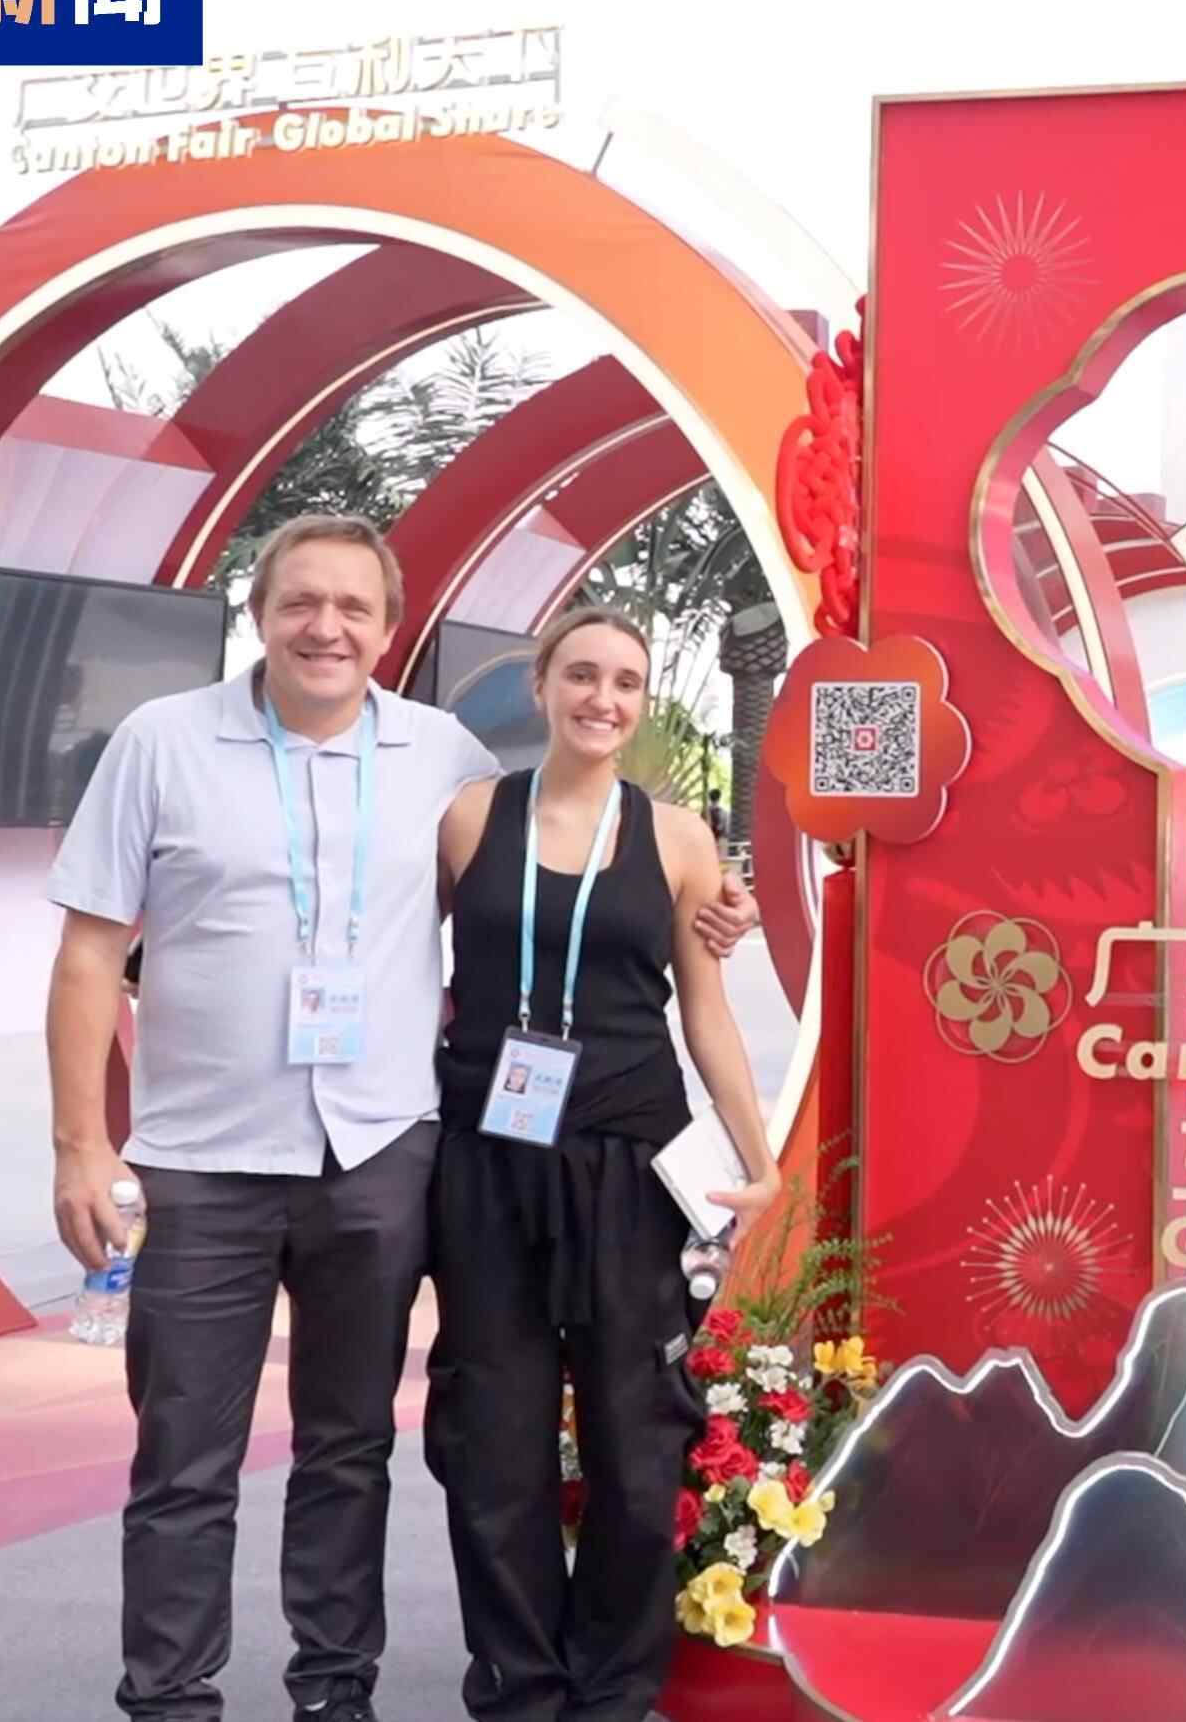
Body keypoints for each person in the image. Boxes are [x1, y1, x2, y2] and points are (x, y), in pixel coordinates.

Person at [45, 515, 755, 1722]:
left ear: (387, 629)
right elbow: (86, 956)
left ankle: (335, 1693)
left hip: (375, 1153)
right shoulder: (163, 744)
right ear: (258, 612)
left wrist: (712, 905)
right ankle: (169, 1698)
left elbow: (560, 866)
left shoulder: (439, 759)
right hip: (203, 1161)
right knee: (183, 1460)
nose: (325, 628)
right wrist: (79, 1146)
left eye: (353, 609)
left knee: (349, 1448)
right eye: (300, 603)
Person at [428, 607, 781, 1722]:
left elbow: (706, 1014)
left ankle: (614, 1689)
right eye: (581, 675)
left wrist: (759, 1159)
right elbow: (399, 966)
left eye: (625, 682)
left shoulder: (676, 839)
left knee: (636, 1441)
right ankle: (519, 1685)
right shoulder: (469, 818)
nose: (603, 699)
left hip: (631, 1166)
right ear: (541, 686)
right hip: (491, 1162)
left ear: (641, 702)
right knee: (494, 1438)